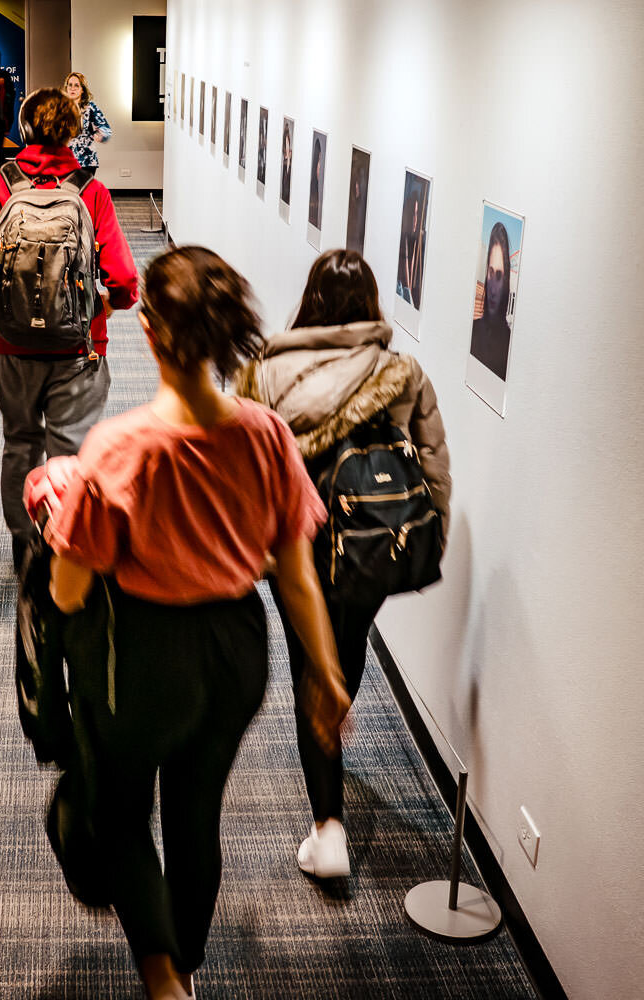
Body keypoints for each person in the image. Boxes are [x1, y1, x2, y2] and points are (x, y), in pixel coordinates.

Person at [36, 246, 351, 1000]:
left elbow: (72, 589)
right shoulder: (266, 433)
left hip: (145, 654)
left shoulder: (120, 447)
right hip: (238, 652)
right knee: (196, 812)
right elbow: (298, 576)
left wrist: (62, 524)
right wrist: (329, 676)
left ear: (151, 332)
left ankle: (163, 980)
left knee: (119, 812)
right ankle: (189, 961)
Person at [234, 248, 451, 880]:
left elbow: (245, 466)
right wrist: (428, 529)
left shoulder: (265, 374)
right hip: (370, 543)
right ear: (371, 304)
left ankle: (328, 827)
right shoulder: (399, 371)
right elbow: (433, 460)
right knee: (348, 645)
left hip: (295, 541)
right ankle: (337, 719)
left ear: (311, 301)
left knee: (310, 660)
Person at [0, 87, 139, 565]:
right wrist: (105, 304)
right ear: (71, 131)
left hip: (14, 348)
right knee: (70, 452)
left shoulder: (2, 185)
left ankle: (25, 545)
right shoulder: (91, 190)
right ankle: (64, 548)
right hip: (79, 351)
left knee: (20, 442)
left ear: (25, 129)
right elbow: (124, 280)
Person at [469, 221, 513, 378]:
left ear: (506, 280)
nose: (494, 287)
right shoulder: (473, 330)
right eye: (491, 272)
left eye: (500, 276)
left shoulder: (509, 345)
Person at [63, 72, 112, 172]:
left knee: (83, 188)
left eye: (76, 85)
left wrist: (100, 135)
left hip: (86, 161)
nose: (72, 88)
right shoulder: (60, 108)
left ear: (82, 90)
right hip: (65, 160)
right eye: (70, 85)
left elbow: (106, 130)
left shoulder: (90, 108)